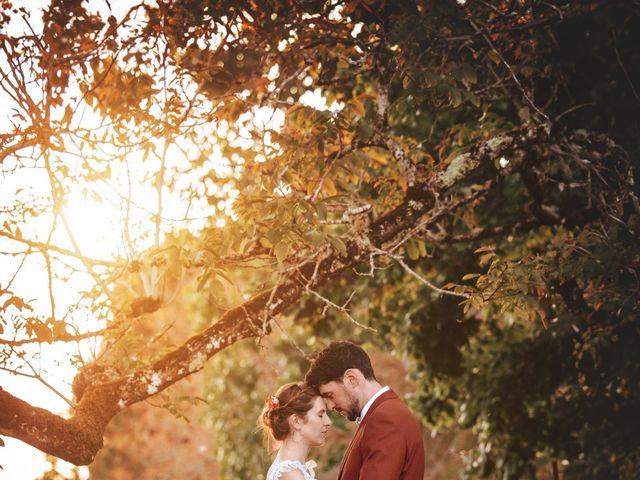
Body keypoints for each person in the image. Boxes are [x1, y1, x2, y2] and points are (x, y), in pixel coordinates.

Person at [305, 340, 425, 480]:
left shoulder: (385, 420)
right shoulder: (381, 414)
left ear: (351, 379)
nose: (330, 406)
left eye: (330, 395)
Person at [260, 382, 332, 480]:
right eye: (320, 415)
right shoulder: (289, 473)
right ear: (296, 421)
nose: (328, 422)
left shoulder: (293, 470)